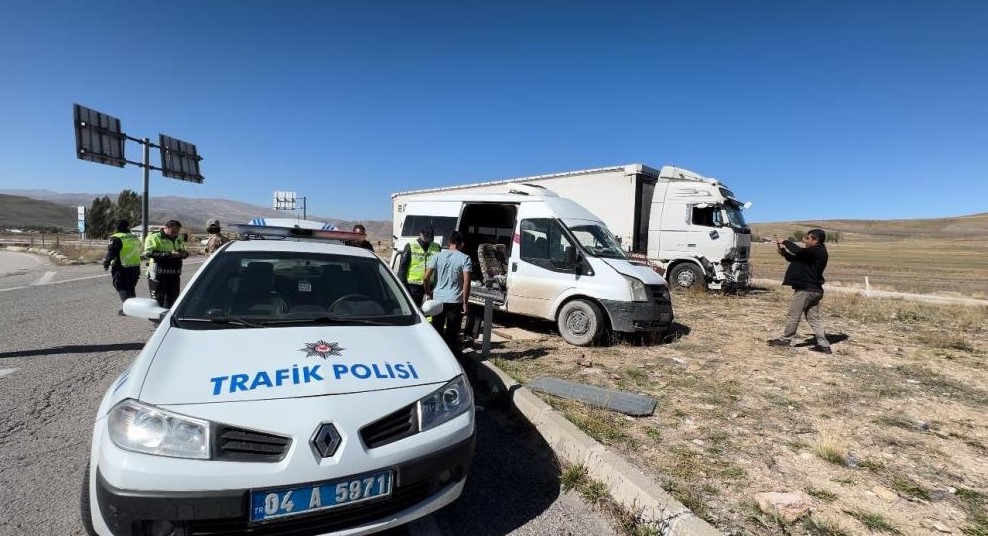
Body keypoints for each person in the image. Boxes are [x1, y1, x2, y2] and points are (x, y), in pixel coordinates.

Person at [768, 229, 832, 354]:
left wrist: (785, 242)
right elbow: (797, 259)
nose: (804, 240)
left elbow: (798, 251)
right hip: (815, 289)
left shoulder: (816, 251)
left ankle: (785, 340)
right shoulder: (815, 252)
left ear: (815, 240)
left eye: (807, 238)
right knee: (813, 318)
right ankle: (824, 345)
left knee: (794, 315)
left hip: (806, 290)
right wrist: (783, 252)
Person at [423, 231, 472, 354]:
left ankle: (436, 354)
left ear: (449, 242)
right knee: (452, 333)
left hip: (438, 299)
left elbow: (425, 277)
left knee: (437, 330)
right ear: (462, 244)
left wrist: (428, 292)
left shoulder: (437, 256)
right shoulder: (465, 258)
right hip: (455, 300)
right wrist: (465, 303)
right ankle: (451, 356)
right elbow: (466, 282)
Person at [144, 220, 189, 308]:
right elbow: (148, 253)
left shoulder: (178, 238)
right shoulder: (154, 237)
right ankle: (157, 320)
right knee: (158, 301)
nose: (175, 234)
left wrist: (184, 254)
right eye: (173, 231)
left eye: (177, 232)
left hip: (174, 274)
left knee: (173, 300)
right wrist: (169, 254)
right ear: (166, 228)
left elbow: (183, 251)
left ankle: (167, 319)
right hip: (158, 274)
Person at [103, 219, 142, 315]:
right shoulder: (134, 237)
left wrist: (106, 263)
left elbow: (112, 252)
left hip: (122, 267)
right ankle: (133, 307)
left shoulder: (116, 238)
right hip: (135, 266)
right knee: (130, 287)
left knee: (121, 287)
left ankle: (128, 309)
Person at [396, 226, 440, 306]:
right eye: (426, 238)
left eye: (430, 238)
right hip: (413, 286)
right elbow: (402, 267)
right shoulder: (410, 246)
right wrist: (403, 286)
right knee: (415, 309)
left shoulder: (437, 247)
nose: (428, 241)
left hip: (430, 286)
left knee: (430, 310)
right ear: (421, 234)